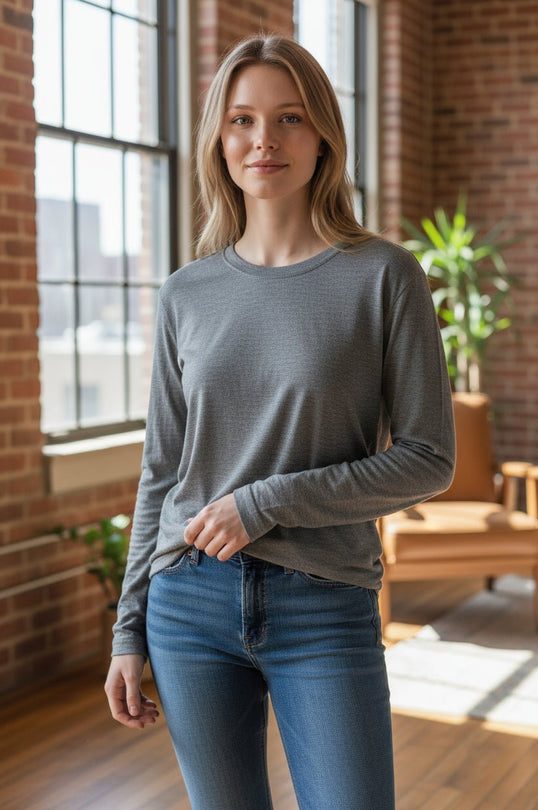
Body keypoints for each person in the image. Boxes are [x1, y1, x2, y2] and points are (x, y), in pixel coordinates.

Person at [105, 34, 455, 810]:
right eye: (242, 121)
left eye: (289, 117)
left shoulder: (383, 276)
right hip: (187, 603)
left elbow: (429, 457)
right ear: (219, 140)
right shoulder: (185, 294)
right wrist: (128, 629)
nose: (264, 140)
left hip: (324, 602)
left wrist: (264, 502)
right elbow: (162, 473)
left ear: (323, 133)